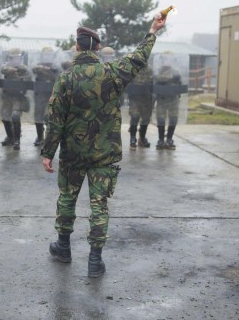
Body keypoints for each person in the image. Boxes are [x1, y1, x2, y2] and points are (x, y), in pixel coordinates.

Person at [42, 15, 167, 278]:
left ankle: (63, 248)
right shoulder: (112, 73)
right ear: (97, 48)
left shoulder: (65, 79)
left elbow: (55, 119)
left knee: (67, 198)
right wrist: (152, 32)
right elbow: (138, 57)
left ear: (77, 47)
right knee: (99, 204)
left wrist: (47, 153)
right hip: (103, 155)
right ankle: (95, 262)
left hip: (72, 154)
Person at [0, 47, 32, 150]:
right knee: (5, 117)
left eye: (17, 58)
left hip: (18, 97)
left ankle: (17, 140)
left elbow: (28, 77)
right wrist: (14, 69)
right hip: (7, 97)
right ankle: (10, 137)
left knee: (15, 117)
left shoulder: (24, 69)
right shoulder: (7, 67)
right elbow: (3, 69)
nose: (15, 60)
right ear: (10, 58)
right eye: (13, 58)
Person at [31, 46, 60, 146]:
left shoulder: (56, 66)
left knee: (48, 116)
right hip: (40, 94)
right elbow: (34, 68)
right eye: (45, 55)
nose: (47, 57)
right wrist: (44, 68)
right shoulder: (38, 64)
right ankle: (40, 137)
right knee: (38, 116)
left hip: (51, 94)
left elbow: (59, 74)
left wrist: (52, 69)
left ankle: (48, 137)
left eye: (49, 55)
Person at [154, 56, 182, 150]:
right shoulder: (158, 70)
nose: (168, 61)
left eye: (169, 59)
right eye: (165, 59)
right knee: (161, 119)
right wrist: (171, 78)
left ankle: (169, 139)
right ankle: (161, 140)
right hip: (162, 99)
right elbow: (158, 79)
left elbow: (180, 83)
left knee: (173, 118)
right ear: (162, 61)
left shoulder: (176, 71)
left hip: (173, 99)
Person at [127, 63, 154, 149]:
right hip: (135, 98)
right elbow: (127, 83)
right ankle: (132, 138)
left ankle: (142, 138)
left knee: (145, 118)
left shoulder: (150, 71)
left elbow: (153, 84)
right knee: (135, 117)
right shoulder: (132, 69)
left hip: (146, 99)